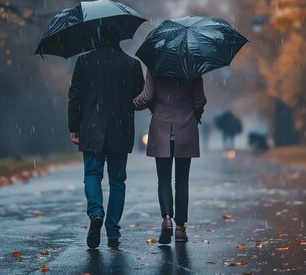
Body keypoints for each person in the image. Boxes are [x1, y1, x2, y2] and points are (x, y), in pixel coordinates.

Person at [68, 27, 144, 249]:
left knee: (92, 174)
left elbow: (75, 96)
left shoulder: (84, 62)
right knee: (117, 180)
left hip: (91, 128)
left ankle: (96, 214)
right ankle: (112, 230)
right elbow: (139, 98)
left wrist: (74, 125)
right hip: (120, 129)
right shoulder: (132, 64)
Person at [133, 73, 206, 244]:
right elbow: (200, 100)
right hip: (186, 128)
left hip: (161, 128)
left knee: (163, 178)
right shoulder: (192, 67)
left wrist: (133, 103)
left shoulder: (155, 66)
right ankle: (180, 228)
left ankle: (166, 218)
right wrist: (195, 114)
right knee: (182, 181)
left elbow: (147, 96)